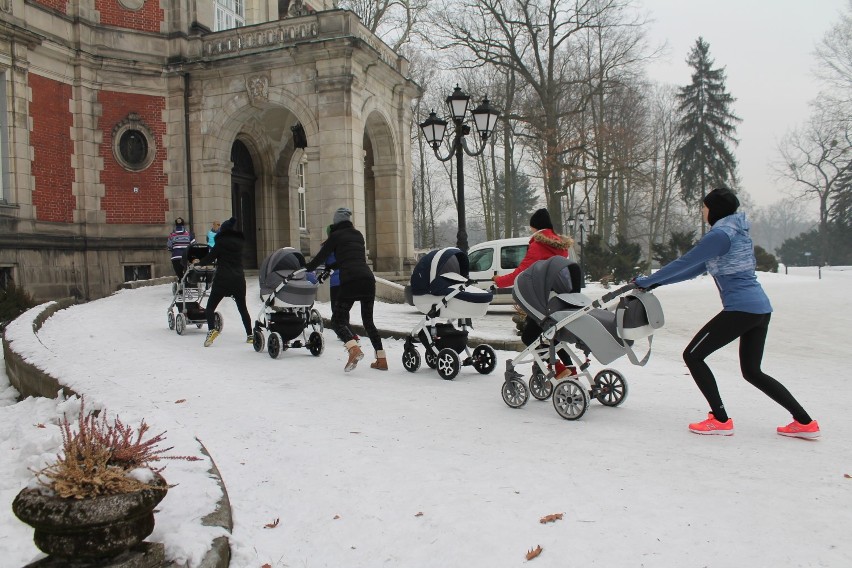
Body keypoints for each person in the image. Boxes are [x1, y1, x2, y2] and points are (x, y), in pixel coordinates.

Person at [633, 187, 819, 438]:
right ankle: (805, 422)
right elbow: (698, 268)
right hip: (760, 309)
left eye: (704, 206)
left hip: (741, 309)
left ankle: (720, 420)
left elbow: (685, 262)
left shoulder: (719, 235)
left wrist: (647, 280)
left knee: (693, 355)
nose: (702, 210)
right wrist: (657, 282)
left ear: (714, 209)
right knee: (753, 371)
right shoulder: (735, 232)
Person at [492, 208, 576, 378]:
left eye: (531, 227)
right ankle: (570, 368)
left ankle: (560, 369)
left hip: (540, 299)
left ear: (535, 227)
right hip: (558, 298)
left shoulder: (538, 246)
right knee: (553, 333)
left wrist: (499, 280)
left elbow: (521, 272)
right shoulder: (562, 247)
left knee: (529, 337)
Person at [305, 208, 385, 372]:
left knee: (337, 321)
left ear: (336, 222)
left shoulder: (335, 236)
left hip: (350, 281)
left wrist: (307, 268)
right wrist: (332, 267)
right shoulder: (358, 235)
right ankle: (381, 359)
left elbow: (320, 258)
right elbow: (350, 259)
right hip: (368, 280)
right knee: (368, 322)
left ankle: (353, 349)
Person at [194, 217, 253, 347]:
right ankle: (250, 335)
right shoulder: (240, 244)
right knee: (243, 308)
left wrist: (199, 263)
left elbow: (210, 258)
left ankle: (211, 331)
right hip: (238, 279)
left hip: (223, 279)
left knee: (210, 308)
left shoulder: (220, 243)